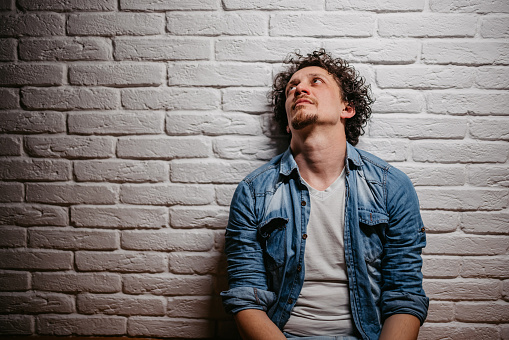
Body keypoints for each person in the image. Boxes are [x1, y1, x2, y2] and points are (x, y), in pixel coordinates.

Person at [221, 49, 428, 340]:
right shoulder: (254, 191)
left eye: (316, 81)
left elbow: (404, 295)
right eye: (292, 87)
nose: (299, 88)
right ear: (287, 119)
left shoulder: (390, 186)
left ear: (347, 108)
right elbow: (246, 297)